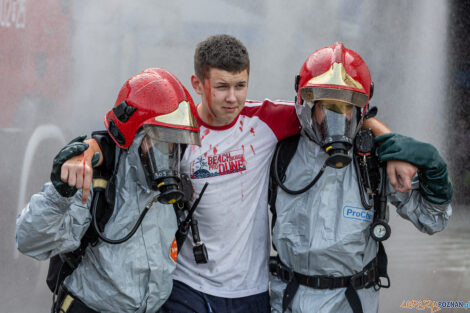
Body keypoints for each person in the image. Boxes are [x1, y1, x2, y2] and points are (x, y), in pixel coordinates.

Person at [63, 35, 413, 312]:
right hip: (187, 286)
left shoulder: (266, 120)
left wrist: (390, 145)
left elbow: (336, 106)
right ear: (197, 84)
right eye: (222, 87)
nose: (233, 98)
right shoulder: (175, 130)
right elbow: (119, 138)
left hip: (251, 290)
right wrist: (87, 150)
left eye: (241, 85)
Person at [268, 42, 453, 313]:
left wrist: (436, 174)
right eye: (327, 106)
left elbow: (432, 220)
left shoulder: (375, 162)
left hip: (351, 302)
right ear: (308, 105)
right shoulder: (281, 154)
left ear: (360, 110)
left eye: (345, 107)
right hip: (286, 299)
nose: (336, 117)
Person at [15, 68, 201, 313]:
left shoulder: (171, 196)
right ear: (133, 136)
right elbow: (29, 240)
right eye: (162, 142)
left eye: (177, 145)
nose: (171, 156)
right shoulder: (96, 184)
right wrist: (58, 196)